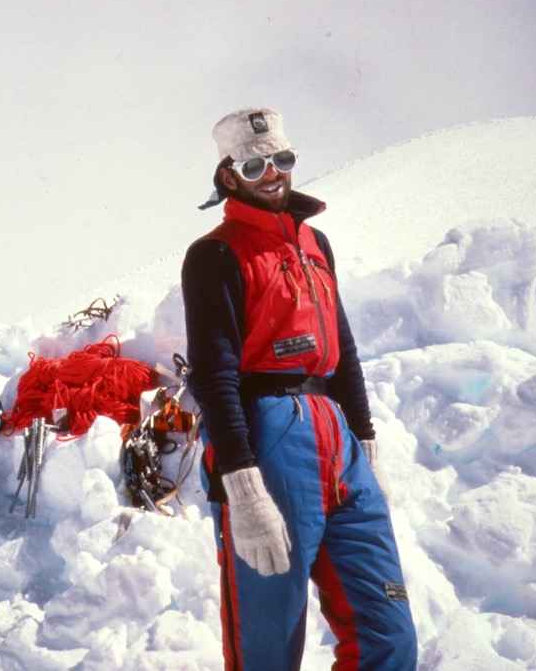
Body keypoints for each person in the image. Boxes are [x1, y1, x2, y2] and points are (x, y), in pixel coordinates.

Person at [181, 107, 418, 670]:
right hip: (268, 435)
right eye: (255, 163)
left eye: (281, 159)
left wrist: (368, 444)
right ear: (228, 174)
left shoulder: (316, 243)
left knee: (390, 635)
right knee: (268, 645)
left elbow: (347, 352)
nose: (272, 173)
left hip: (337, 437)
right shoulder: (214, 254)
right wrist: (243, 486)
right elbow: (214, 375)